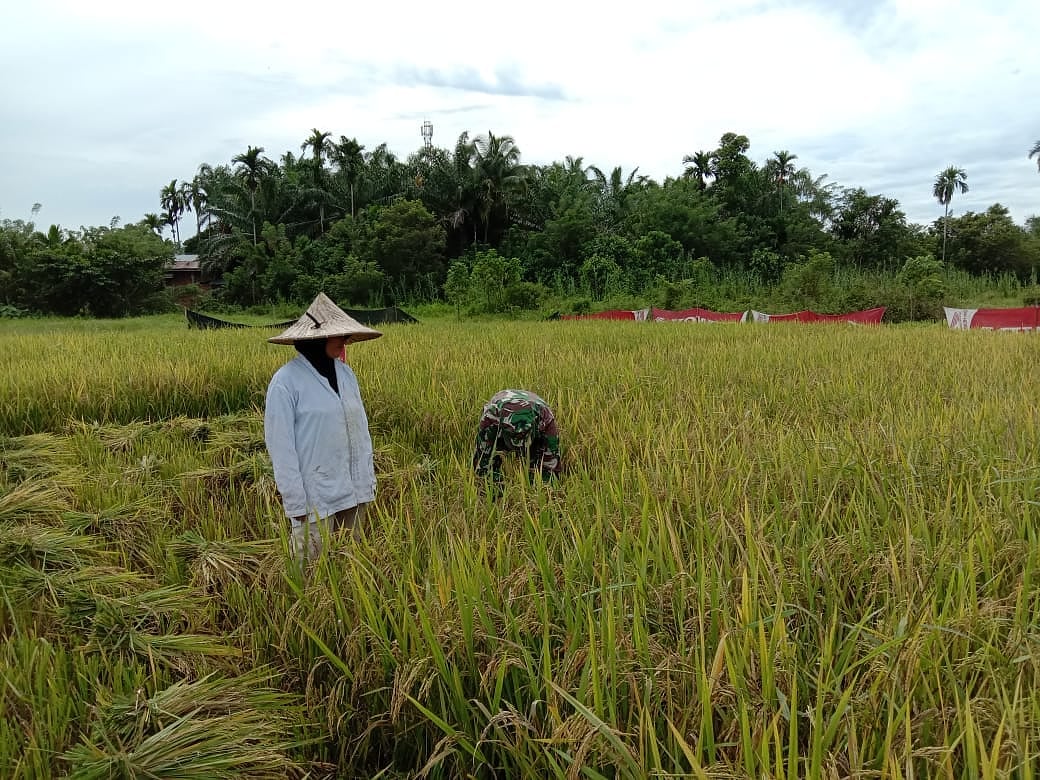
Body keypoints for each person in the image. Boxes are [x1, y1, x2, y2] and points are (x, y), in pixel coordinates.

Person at [264, 292, 382, 561]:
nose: (344, 342)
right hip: (314, 496)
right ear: (315, 339)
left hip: (353, 487)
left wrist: (367, 477)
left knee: (351, 565)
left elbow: (360, 430)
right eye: (338, 336)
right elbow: (281, 447)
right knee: (311, 573)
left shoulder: (346, 374)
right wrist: (294, 501)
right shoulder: (286, 382)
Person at [472, 389, 562, 495]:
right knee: (489, 466)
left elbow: (551, 463)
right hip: (501, 408)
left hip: (535, 412)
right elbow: (483, 459)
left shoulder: (545, 418)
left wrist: (544, 491)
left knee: (538, 461)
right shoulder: (490, 418)